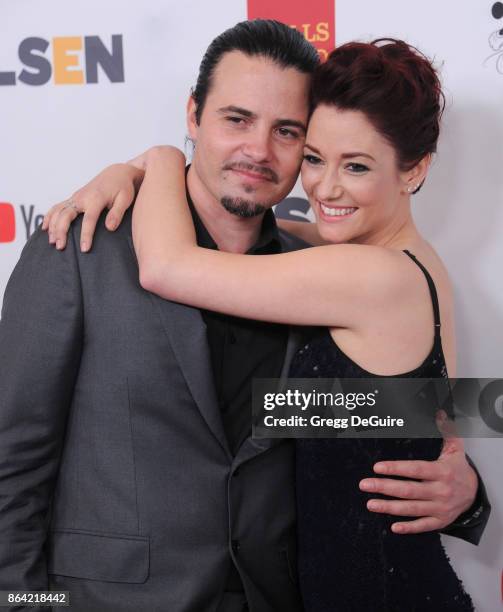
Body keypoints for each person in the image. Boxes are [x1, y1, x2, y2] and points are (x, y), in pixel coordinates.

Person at [0, 20, 488, 612]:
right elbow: (12, 461)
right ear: (193, 116)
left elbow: (395, 419)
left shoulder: (323, 270)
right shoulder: (81, 247)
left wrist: (466, 492)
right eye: (236, 119)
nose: (259, 150)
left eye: (286, 131)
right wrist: (26, 605)